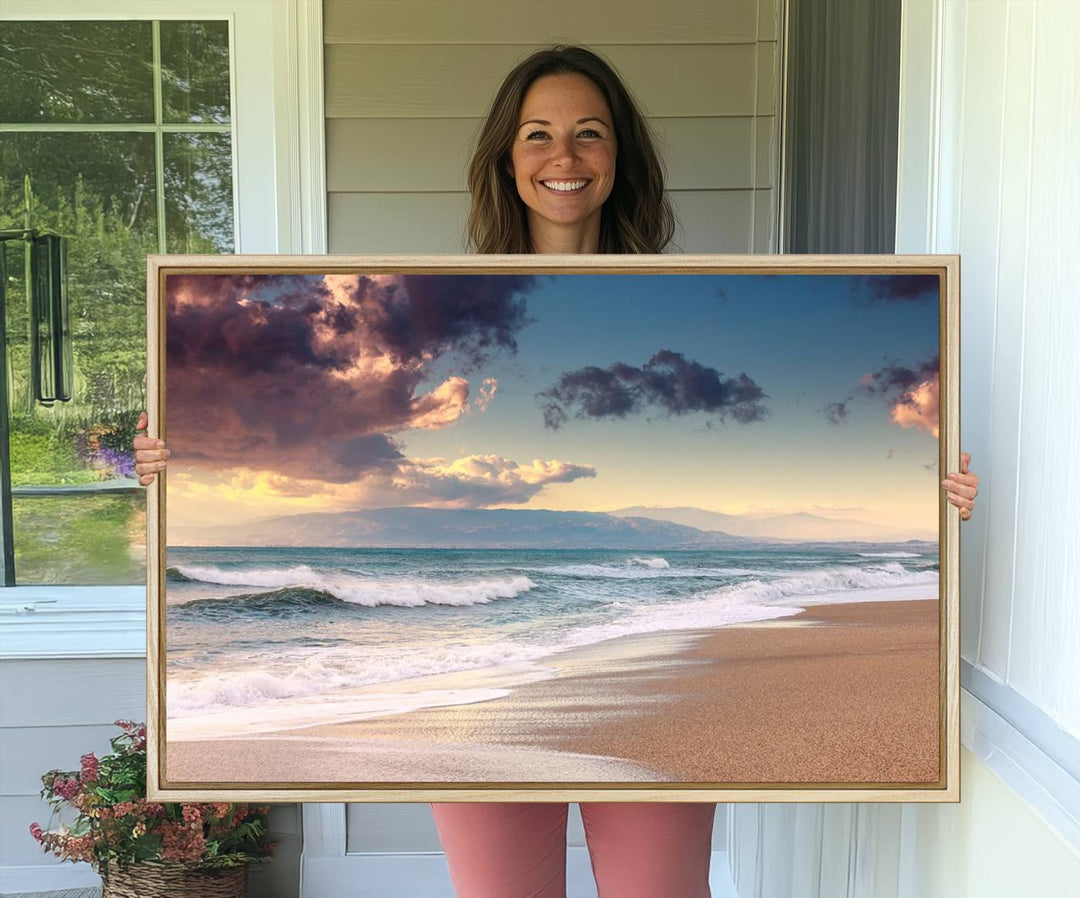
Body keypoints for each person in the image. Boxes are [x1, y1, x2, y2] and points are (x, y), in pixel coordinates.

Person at [134, 45, 979, 898]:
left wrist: (934, 492)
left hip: (649, 688)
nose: (563, 157)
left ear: (620, 158)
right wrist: (179, 464)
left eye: (589, 134)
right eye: (538, 134)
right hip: (470, 675)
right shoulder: (440, 304)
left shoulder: (686, 301)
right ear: (507, 157)